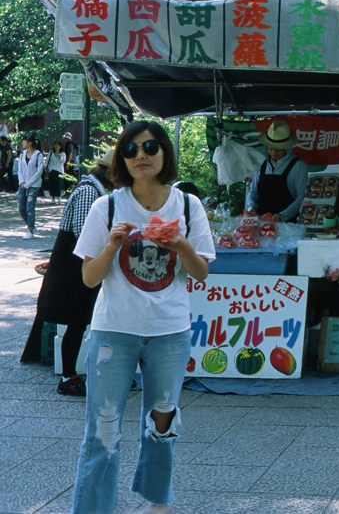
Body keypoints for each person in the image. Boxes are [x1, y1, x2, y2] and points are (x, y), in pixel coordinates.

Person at [70, 122, 215, 514]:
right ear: (122, 159)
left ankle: (157, 502)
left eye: (150, 146)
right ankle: (92, 509)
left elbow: (200, 272)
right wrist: (113, 245)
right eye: (131, 150)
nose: (141, 156)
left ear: (164, 152)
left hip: (170, 330)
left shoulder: (187, 205)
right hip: (113, 330)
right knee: (103, 428)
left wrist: (180, 242)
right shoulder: (108, 207)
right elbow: (88, 278)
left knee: (162, 422)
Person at [19, 150, 116, 393]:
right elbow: (85, 234)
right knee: (77, 320)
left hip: (75, 265)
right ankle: (68, 377)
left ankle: (71, 374)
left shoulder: (92, 190)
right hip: (75, 268)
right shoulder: (88, 193)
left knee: (79, 320)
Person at [244, 119, 309, 222]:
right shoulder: (261, 163)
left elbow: (301, 197)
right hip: (261, 222)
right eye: (270, 148)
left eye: (278, 149)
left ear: (286, 147)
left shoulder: (298, 166)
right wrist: (251, 207)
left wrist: (284, 215)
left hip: (288, 224)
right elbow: (253, 191)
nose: (274, 152)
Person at [17, 134, 44, 239]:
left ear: (30, 143)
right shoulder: (22, 154)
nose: (23, 143)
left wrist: (28, 184)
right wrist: (22, 182)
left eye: (24, 141)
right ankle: (29, 223)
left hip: (34, 184)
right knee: (21, 207)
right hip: (22, 183)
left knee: (30, 207)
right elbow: (20, 169)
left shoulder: (38, 155)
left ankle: (30, 229)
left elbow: (39, 171)